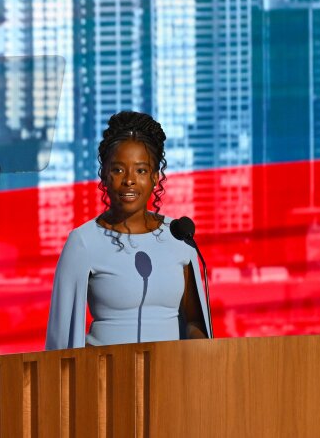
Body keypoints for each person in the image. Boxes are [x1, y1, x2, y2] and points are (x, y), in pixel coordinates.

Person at [44, 110, 211, 350]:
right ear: (104, 175)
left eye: (141, 170)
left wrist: (201, 352)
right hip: (104, 378)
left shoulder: (178, 236)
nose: (129, 180)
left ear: (155, 177)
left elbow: (194, 321)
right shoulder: (83, 241)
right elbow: (61, 337)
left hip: (171, 377)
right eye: (118, 169)